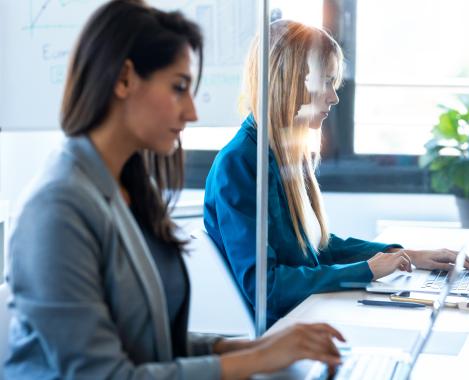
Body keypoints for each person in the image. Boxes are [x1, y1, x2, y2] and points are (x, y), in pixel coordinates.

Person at [5, 2, 346, 378]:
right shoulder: (57, 208)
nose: (191, 112)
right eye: (178, 87)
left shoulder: (129, 187)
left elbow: (150, 343)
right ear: (123, 80)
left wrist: (257, 347)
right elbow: (104, 374)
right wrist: (252, 360)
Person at [204, 20, 469, 327]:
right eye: (325, 82)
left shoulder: (283, 152)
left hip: (309, 315)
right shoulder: (239, 165)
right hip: (289, 329)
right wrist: (366, 270)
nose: (334, 98)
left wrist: (406, 255)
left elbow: (317, 247)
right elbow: (266, 288)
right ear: (292, 81)